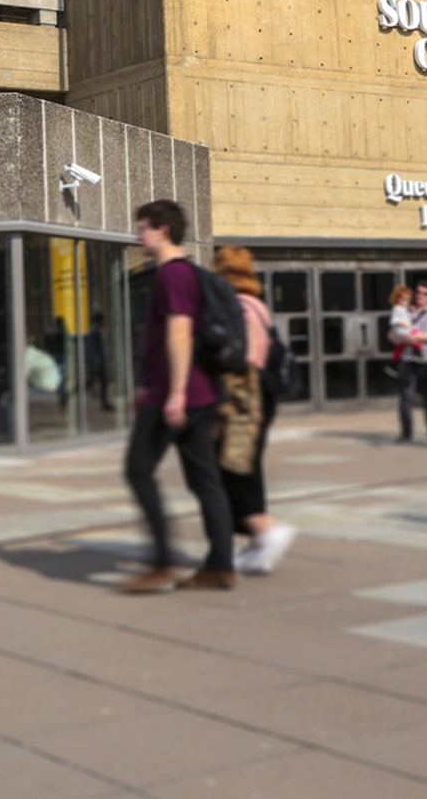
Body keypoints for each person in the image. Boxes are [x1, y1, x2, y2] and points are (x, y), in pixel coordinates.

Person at [120, 199, 235, 593]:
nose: (139, 236)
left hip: (177, 395)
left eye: (143, 228)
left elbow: (180, 333)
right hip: (194, 394)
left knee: (138, 469)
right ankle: (220, 566)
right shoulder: (185, 273)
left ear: (162, 230)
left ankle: (163, 562)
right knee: (205, 479)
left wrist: (173, 395)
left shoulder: (173, 275)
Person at [216, 246, 296, 576]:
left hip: (247, 399)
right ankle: (257, 544)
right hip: (260, 397)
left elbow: (244, 359)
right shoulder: (258, 306)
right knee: (245, 465)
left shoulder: (241, 308)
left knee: (235, 467)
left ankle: (265, 529)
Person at [395, 280, 427, 443]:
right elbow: (392, 334)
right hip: (407, 359)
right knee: (405, 397)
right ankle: (406, 432)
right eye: (417, 292)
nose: (419, 296)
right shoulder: (404, 313)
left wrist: (416, 336)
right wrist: (401, 337)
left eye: (424, 293)